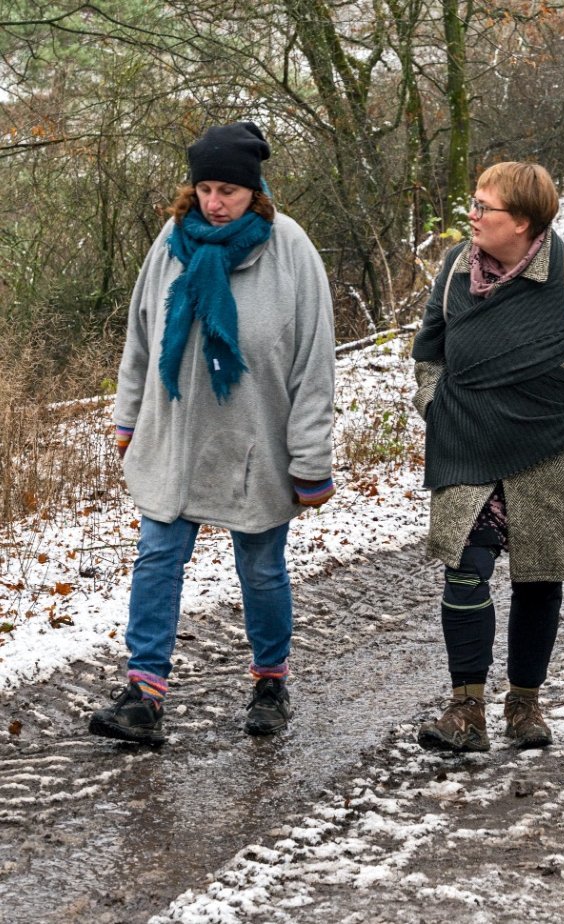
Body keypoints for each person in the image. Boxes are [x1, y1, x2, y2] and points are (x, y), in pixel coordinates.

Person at [91, 121, 336, 745]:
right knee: (157, 560)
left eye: (228, 189)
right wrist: (128, 419)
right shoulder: (171, 245)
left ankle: (270, 684)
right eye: (205, 188)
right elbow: (141, 339)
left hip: (255, 440)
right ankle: (143, 693)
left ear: (254, 191)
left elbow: (314, 365)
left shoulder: (290, 251)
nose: (215, 202)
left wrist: (310, 457)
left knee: (260, 570)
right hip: (175, 435)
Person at [411, 162, 564, 753]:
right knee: (465, 569)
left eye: (485, 207)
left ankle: (524, 705)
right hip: (466, 446)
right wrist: (433, 402)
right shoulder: (456, 269)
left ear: (524, 222)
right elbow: (430, 347)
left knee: (539, 577)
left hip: (549, 457)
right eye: (474, 202)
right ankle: (466, 710)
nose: (473, 215)